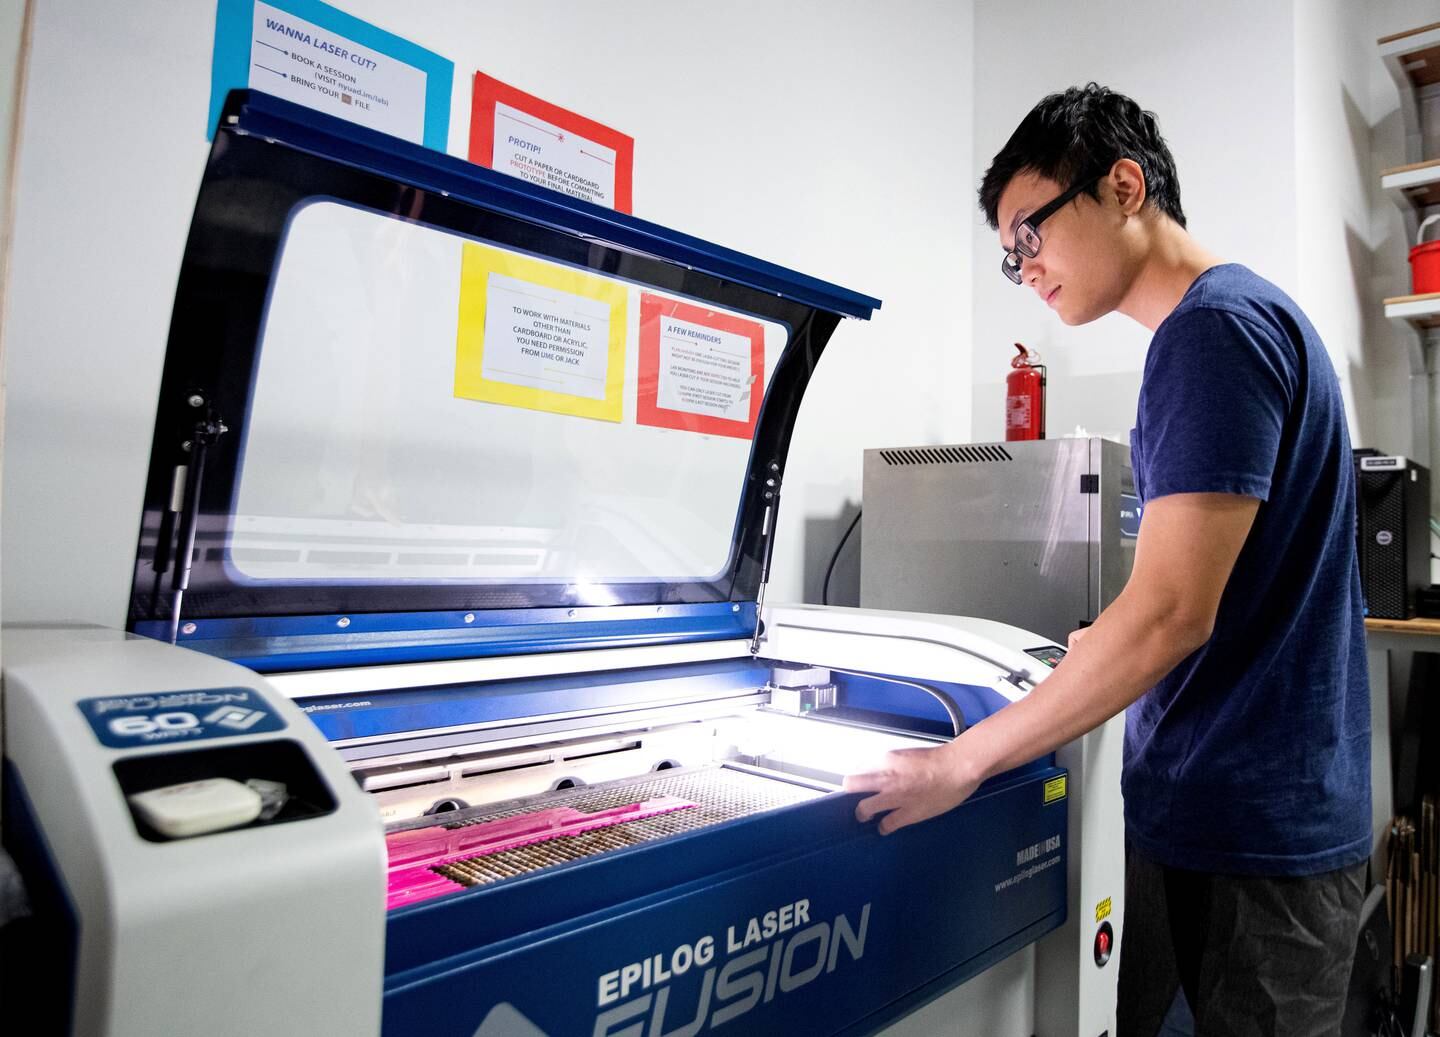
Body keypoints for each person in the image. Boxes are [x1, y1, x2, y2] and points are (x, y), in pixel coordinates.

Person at [844, 83, 1370, 1036]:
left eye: (1030, 234)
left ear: (1123, 185)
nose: (1025, 268)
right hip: (1247, 823)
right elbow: (1206, 591)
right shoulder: (1236, 322)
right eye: (1010, 258)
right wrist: (1109, 635)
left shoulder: (1212, 331)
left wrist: (959, 762)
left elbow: (1174, 614)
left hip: (1245, 846)